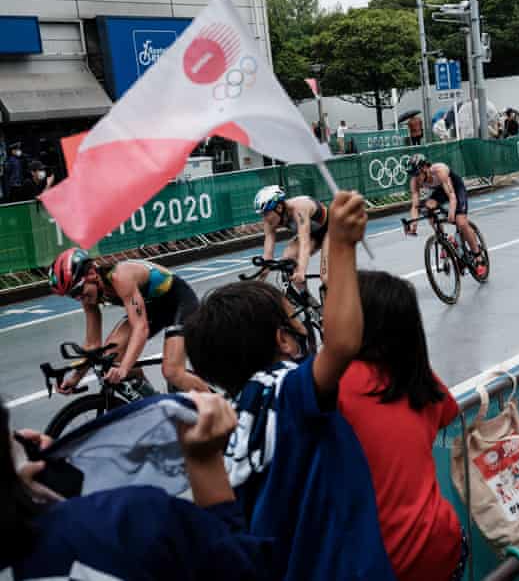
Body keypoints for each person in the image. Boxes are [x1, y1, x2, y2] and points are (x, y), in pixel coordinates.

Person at [184, 191, 396, 581]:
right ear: (283, 340)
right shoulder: (285, 391)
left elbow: (223, 525)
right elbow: (343, 343)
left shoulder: (234, 428)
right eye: (291, 319)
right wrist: (344, 246)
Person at [0, 393, 272, 580]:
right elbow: (241, 568)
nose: (21, 436)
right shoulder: (132, 518)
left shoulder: (26, 551)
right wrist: (205, 461)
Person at [338, 270, 466, 581]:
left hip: (378, 560)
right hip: (440, 542)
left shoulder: (338, 385)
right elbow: (446, 411)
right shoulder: (416, 376)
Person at [48, 248, 209, 393]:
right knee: (109, 358)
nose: (79, 298)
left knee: (172, 372)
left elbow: (141, 328)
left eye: (78, 290)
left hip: (179, 303)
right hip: (151, 309)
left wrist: (125, 368)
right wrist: (75, 379)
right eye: (72, 295)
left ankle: (225, 418)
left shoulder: (121, 277)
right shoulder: (88, 296)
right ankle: (152, 401)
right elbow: (92, 345)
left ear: (91, 274)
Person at [404, 154, 487, 278]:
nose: (415, 178)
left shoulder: (440, 171)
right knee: (428, 207)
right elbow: (415, 206)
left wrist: (452, 212)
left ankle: (478, 256)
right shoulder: (414, 181)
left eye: (417, 174)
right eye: (413, 175)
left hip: (455, 189)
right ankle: (444, 239)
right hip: (440, 191)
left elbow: (452, 196)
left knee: (461, 222)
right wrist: (413, 225)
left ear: (425, 168)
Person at [254, 185, 329, 289]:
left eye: (266, 213)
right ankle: (307, 300)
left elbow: (304, 243)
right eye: (262, 214)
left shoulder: (299, 209)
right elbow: (267, 256)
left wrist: (301, 271)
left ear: (279, 208)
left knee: (325, 277)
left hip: (330, 231)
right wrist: (259, 282)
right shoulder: (270, 220)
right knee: (288, 259)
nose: (264, 219)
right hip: (313, 235)